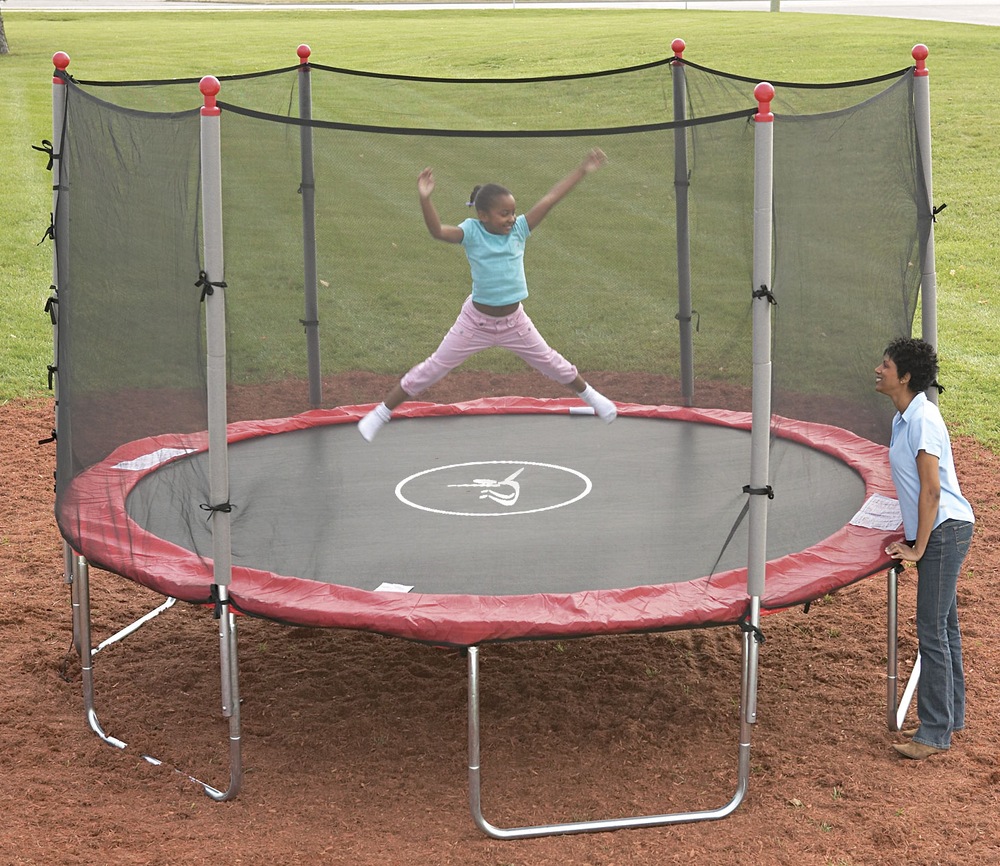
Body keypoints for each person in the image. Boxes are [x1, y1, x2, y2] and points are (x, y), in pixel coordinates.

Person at [358, 149, 617, 442]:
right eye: (503, 213)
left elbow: (550, 198)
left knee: (554, 364)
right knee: (431, 369)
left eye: (512, 212)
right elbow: (437, 232)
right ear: (483, 215)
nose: (511, 218)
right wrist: (425, 198)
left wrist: (582, 170)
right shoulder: (471, 232)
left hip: (514, 322)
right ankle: (380, 414)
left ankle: (594, 398)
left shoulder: (520, 229)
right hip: (475, 323)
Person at [876, 337, 975, 760]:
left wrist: (918, 547)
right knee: (944, 628)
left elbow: (932, 490)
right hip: (940, 531)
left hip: (945, 531)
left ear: (905, 376)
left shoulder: (923, 420)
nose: (878, 370)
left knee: (932, 631)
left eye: (885, 365)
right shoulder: (903, 418)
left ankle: (934, 733)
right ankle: (951, 718)